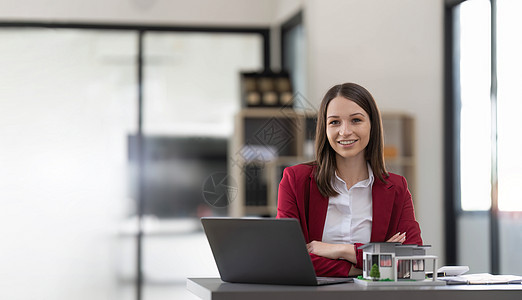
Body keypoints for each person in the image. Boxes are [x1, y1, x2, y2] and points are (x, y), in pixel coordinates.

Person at [277, 83, 422, 277]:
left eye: (356, 120)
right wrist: (366, 263)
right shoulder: (295, 180)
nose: (345, 131)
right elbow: (288, 257)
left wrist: (343, 250)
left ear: (372, 125)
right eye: (334, 122)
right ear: (324, 128)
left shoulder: (396, 188)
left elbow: (411, 261)